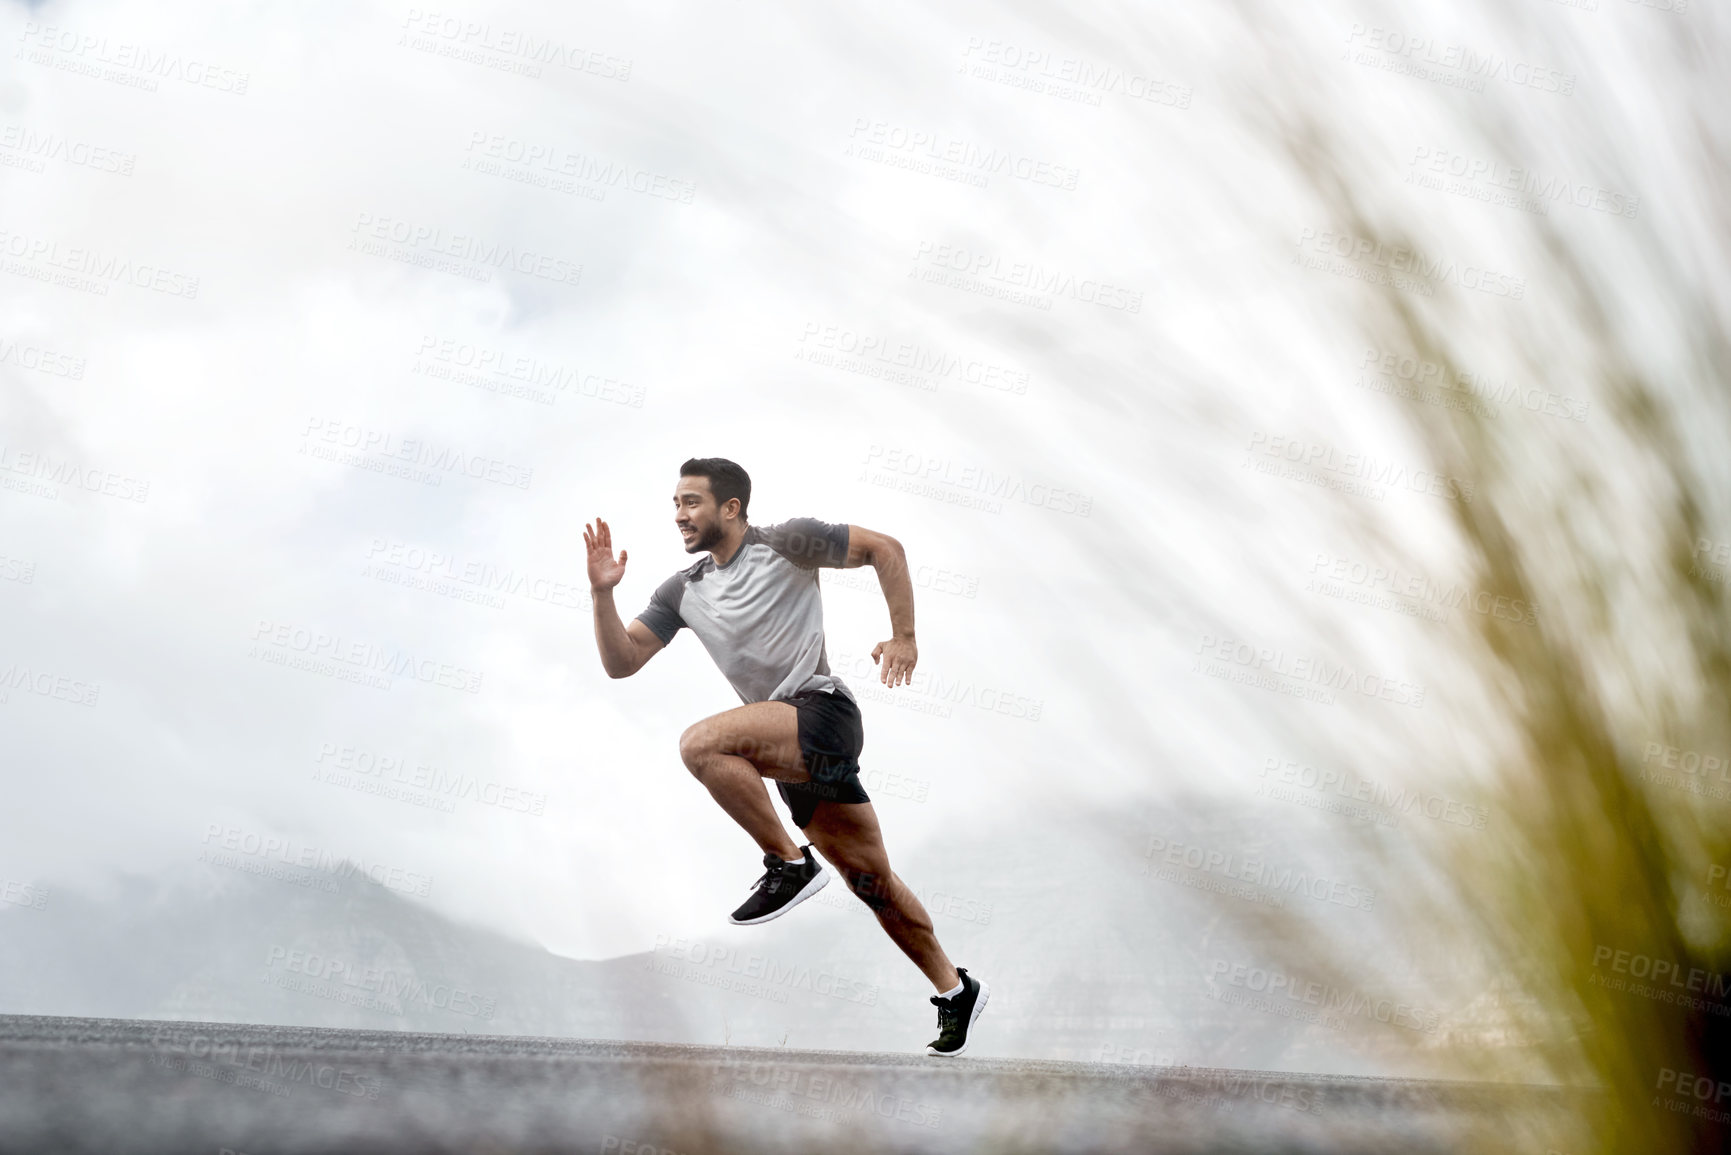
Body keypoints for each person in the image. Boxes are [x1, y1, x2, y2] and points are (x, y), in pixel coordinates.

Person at [583, 457, 988, 1057]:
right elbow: (622, 661)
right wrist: (601, 595)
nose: (679, 515)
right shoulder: (682, 590)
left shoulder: (788, 542)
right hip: (786, 747)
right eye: (675, 504)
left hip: (821, 712)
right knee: (871, 882)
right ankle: (955, 989)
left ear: (732, 509)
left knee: (701, 744)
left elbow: (886, 548)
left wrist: (903, 636)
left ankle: (789, 863)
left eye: (691, 502)